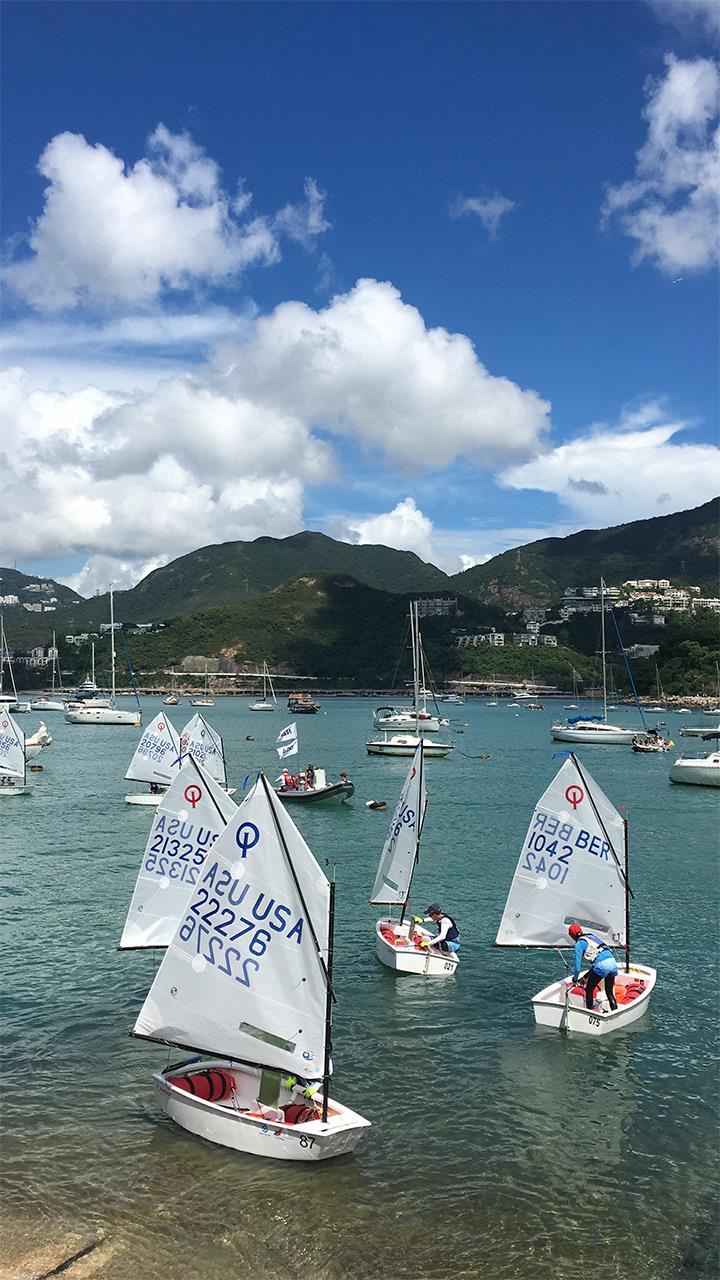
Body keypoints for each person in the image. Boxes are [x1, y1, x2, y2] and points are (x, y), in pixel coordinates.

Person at [567, 922, 618, 1011]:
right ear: (581, 931)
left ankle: (589, 1011)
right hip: (612, 962)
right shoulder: (591, 936)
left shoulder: (579, 944)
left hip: (601, 965)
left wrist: (575, 979)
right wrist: (586, 976)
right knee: (609, 992)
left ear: (571, 936)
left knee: (589, 990)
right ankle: (616, 1014)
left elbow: (577, 968)